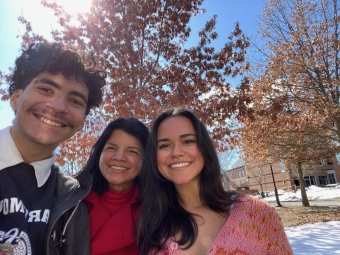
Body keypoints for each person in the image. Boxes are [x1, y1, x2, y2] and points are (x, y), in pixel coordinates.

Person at [137, 108, 293, 255]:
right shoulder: (150, 225)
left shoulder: (259, 215)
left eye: (188, 141)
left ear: (204, 148)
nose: (176, 152)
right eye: (164, 145)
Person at [0, 42, 107, 255]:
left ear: (81, 123)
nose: (58, 106)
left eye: (75, 101)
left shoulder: (74, 202)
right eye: (46, 89)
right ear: (16, 98)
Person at [82, 117, 150, 255]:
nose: (119, 157)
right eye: (111, 148)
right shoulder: (71, 199)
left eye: (132, 151)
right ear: (99, 153)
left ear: (146, 161)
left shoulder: (156, 210)